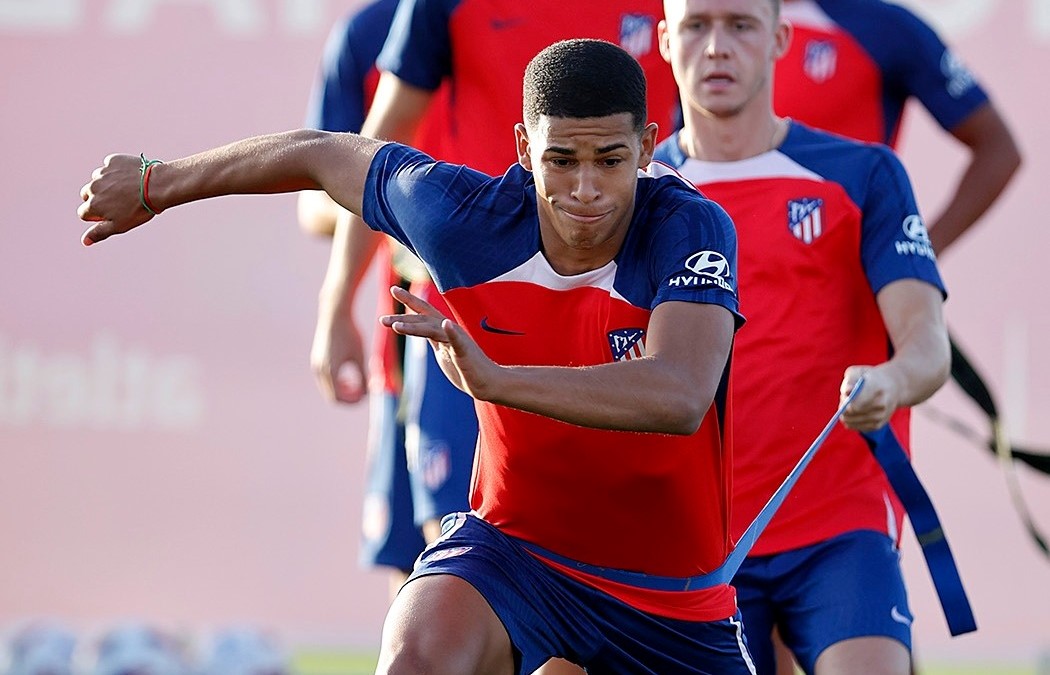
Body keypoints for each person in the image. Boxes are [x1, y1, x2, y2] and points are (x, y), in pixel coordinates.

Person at [78, 39, 756, 674]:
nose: (584, 188)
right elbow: (320, 152)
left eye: (609, 160)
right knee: (417, 653)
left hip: (672, 597)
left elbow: (680, 393)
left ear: (646, 146)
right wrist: (156, 183)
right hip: (517, 557)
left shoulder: (688, 226)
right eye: (560, 160)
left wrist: (497, 380)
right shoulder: (464, 220)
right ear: (524, 149)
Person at [654, 1, 951, 674]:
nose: (718, 46)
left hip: (839, 526)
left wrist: (891, 381)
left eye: (741, 25)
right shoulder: (639, 196)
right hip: (692, 539)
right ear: (667, 40)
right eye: (697, 26)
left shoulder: (863, 175)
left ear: (780, 39)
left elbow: (928, 346)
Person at [298, 0, 477, 597]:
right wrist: (406, 206)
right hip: (416, 328)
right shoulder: (370, 32)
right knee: (430, 575)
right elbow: (320, 191)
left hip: (546, 326)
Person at [774, 0, 1020, 256]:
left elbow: (998, 146)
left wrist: (918, 256)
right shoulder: (734, 21)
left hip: (836, 273)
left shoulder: (884, 27)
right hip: (740, 269)